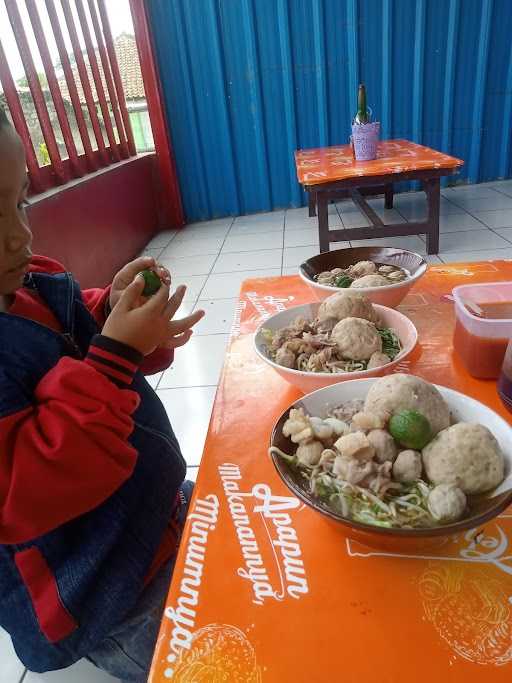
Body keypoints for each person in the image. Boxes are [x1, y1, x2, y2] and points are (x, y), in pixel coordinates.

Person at [0, 107, 204, 681]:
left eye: (17, 202)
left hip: (148, 505)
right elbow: (27, 484)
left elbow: (69, 337)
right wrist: (115, 357)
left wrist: (112, 315)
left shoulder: (28, 277)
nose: (19, 233)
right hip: (107, 592)